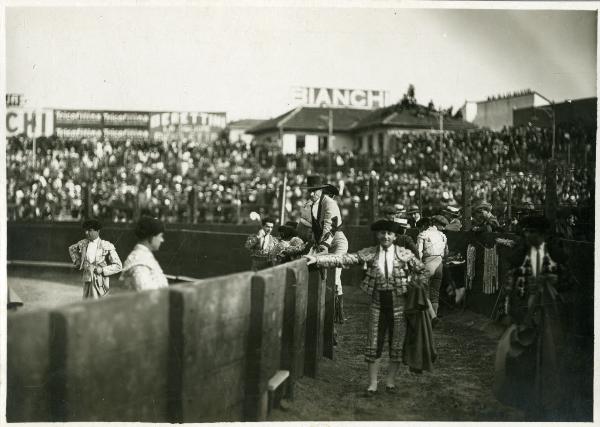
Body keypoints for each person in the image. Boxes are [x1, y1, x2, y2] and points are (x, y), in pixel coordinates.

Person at [305, 219, 433, 394]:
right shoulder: (371, 253)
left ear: (395, 236)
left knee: (396, 345)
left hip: (399, 305)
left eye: (389, 233)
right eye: (382, 232)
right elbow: (345, 258)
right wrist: (318, 260)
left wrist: (415, 285)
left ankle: (390, 382)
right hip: (377, 304)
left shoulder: (405, 254)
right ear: (377, 234)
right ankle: (373, 384)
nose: (385, 236)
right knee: (373, 344)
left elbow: (424, 271)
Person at [494, 215, 572, 420]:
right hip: (525, 314)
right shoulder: (520, 255)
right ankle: (525, 401)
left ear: (543, 234)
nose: (528, 235)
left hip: (549, 316)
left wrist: (556, 281)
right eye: (526, 231)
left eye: (532, 231)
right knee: (519, 356)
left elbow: (570, 284)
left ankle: (545, 402)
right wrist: (512, 313)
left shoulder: (557, 254)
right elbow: (510, 287)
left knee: (549, 358)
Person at [304, 175, 349, 321]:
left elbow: (330, 227)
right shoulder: (311, 205)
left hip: (337, 243)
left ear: (321, 190)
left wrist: (322, 246)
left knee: (334, 277)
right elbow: (313, 228)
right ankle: (334, 313)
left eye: (315, 190)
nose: (311, 193)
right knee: (326, 276)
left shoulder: (329, 203)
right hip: (323, 242)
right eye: (309, 190)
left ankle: (334, 314)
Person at [68, 218, 122, 299]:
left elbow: (118, 266)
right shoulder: (83, 243)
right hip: (87, 279)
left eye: (90, 230)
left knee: (100, 304)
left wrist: (103, 270)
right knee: (87, 303)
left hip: (101, 281)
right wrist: (78, 261)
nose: (86, 233)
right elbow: (71, 249)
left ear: (98, 231)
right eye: (85, 230)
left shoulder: (106, 245)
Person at [120, 216, 169, 291]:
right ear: (151, 237)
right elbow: (146, 294)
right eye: (160, 236)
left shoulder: (143, 257)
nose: (162, 240)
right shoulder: (139, 261)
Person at [416, 215, 449, 323]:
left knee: (422, 291)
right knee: (435, 292)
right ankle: (432, 318)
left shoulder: (423, 234)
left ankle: (433, 317)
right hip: (439, 265)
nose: (443, 228)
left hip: (428, 264)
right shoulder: (443, 236)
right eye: (442, 225)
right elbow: (446, 253)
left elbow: (418, 253)